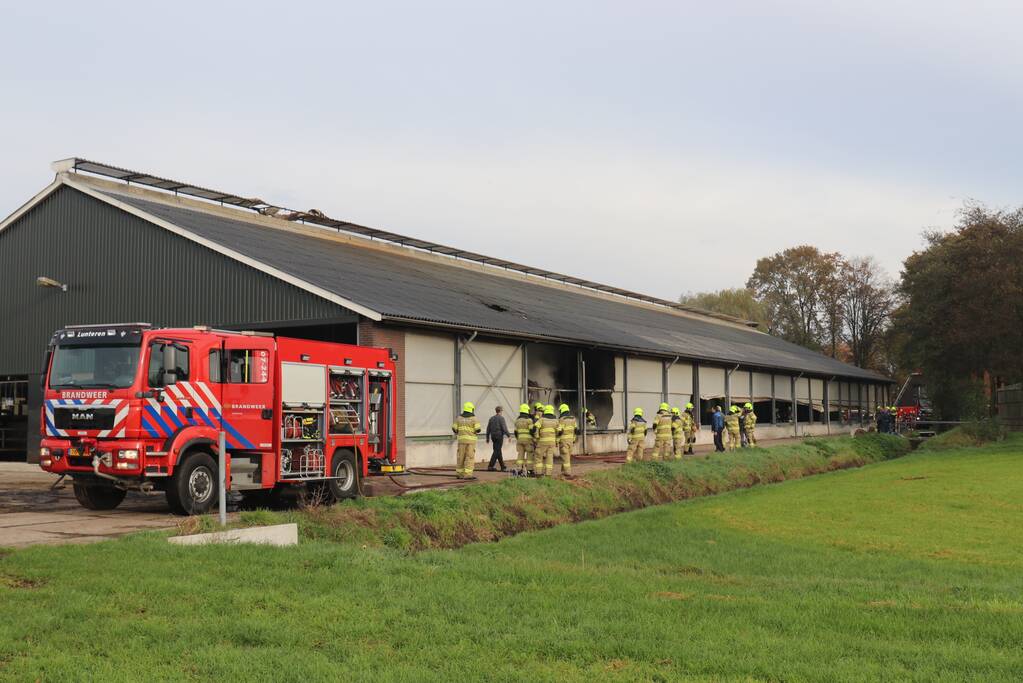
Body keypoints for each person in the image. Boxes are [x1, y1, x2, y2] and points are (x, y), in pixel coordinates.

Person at [451, 402, 482, 479]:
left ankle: (459, 474)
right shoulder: (474, 419)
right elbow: (478, 430)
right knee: (469, 457)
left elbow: (454, 429)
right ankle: (468, 475)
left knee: (460, 457)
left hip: (461, 441)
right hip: (471, 442)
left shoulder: (458, 418)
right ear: (471, 409)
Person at [533, 405, 560, 477]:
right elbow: (560, 431)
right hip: (552, 443)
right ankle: (548, 474)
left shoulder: (542, 419)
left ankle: (538, 473)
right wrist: (556, 439)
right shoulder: (556, 421)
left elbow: (535, 427)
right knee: (550, 457)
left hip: (542, 441)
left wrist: (536, 437)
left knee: (539, 456)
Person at [486, 406, 511, 471]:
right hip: (499, 436)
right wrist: (509, 435)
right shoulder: (501, 418)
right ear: (500, 411)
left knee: (498, 450)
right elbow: (504, 428)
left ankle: (502, 466)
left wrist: (487, 438)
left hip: (493, 437)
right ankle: (490, 466)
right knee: (496, 451)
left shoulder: (491, 418)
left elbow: (488, 429)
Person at [557, 404, 579, 478]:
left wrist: (557, 439)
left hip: (564, 441)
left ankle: (567, 473)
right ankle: (563, 471)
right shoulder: (573, 418)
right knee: (567, 457)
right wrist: (574, 439)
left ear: (562, 410)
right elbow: (576, 430)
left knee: (565, 456)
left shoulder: (562, 419)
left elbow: (560, 431)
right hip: (571, 441)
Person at [513, 403, 535, 476]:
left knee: (520, 455)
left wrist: (518, 438)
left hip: (519, 440)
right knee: (529, 455)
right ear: (527, 411)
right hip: (528, 441)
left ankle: (519, 470)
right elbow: (532, 431)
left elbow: (515, 432)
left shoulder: (517, 421)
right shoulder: (529, 420)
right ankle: (529, 471)